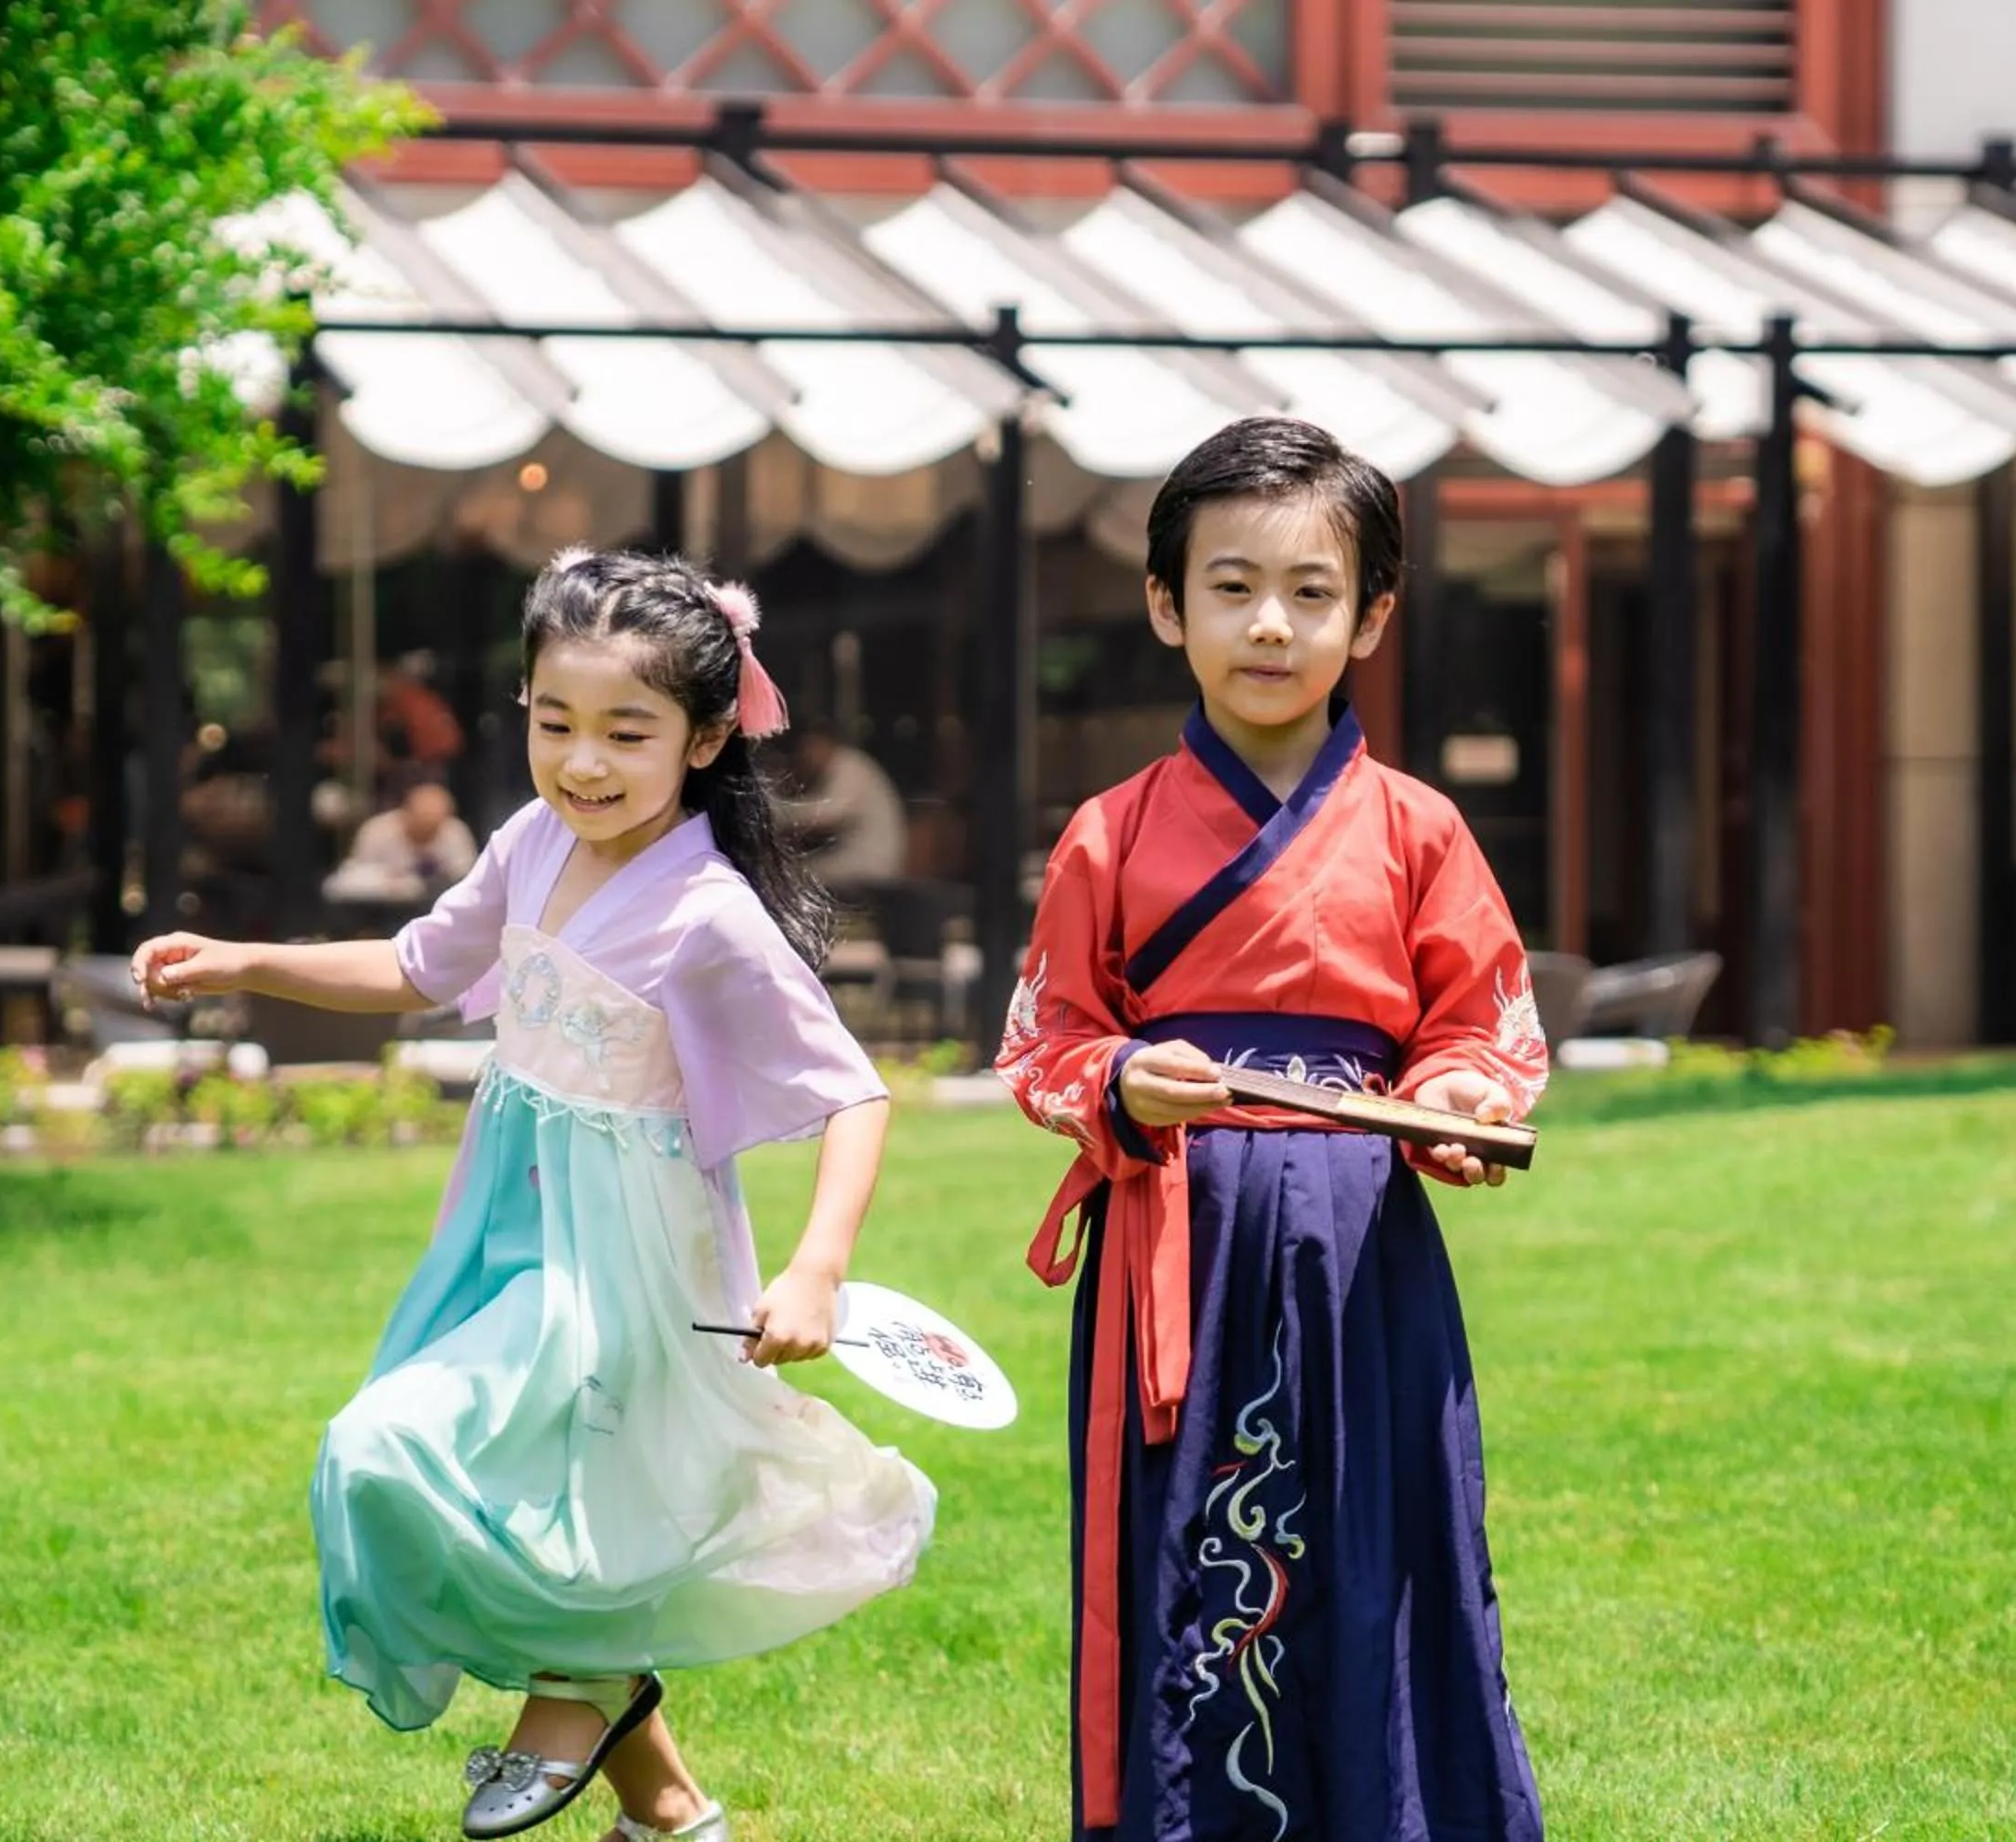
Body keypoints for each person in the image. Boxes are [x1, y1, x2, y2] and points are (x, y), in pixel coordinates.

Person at [132, 548, 936, 1842]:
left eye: (628, 730)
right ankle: (670, 1811)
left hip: (629, 1264)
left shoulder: (710, 915)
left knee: (401, 1456)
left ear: (707, 736)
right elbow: (415, 964)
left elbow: (855, 1092)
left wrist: (818, 1269)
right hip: (508, 1231)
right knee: (510, 1490)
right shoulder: (533, 839)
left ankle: (587, 1682)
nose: (585, 761)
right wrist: (244, 959)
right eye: (555, 724)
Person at [996, 418, 1552, 1842]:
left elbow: (1476, 1024)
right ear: (1165, 605)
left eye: (1313, 593)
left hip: (1360, 1260)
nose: (1269, 624)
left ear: (1370, 618)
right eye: (1230, 585)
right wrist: (1119, 1079)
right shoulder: (1110, 836)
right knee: (1184, 1559)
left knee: (1385, 1547)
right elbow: (1047, 1037)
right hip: (1174, 1256)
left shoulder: (1418, 829)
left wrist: (1468, 1101)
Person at [777, 726, 907, 888]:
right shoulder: (841, 766)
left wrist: (779, 815)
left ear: (824, 743)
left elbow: (830, 814)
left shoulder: (849, 765)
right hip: (858, 857)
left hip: (869, 862)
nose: (807, 755)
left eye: (811, 746)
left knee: (794, 875)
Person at [332, 775, 482, 898]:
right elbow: (354, 876)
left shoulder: (455, 831)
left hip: (434, 904)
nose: (426, 832)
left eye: (433, 829)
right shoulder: (377, 830)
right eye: (422, 825)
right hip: (382, 905)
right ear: (406, 814)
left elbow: (467, 878)